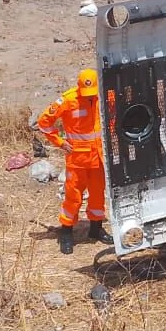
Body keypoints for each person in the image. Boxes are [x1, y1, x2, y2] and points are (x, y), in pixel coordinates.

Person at [37, 68, 113, 254]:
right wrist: (60, 142)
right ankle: (66, 232)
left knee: (97, 195)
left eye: (92, 92)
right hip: (77, 159)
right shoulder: (68, 100)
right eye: (86, 93)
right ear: (79, 88)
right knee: (73, 197)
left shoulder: (105, 96)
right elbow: (44, 122)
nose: (90, 96)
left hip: (98, 158)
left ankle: (96, 229)